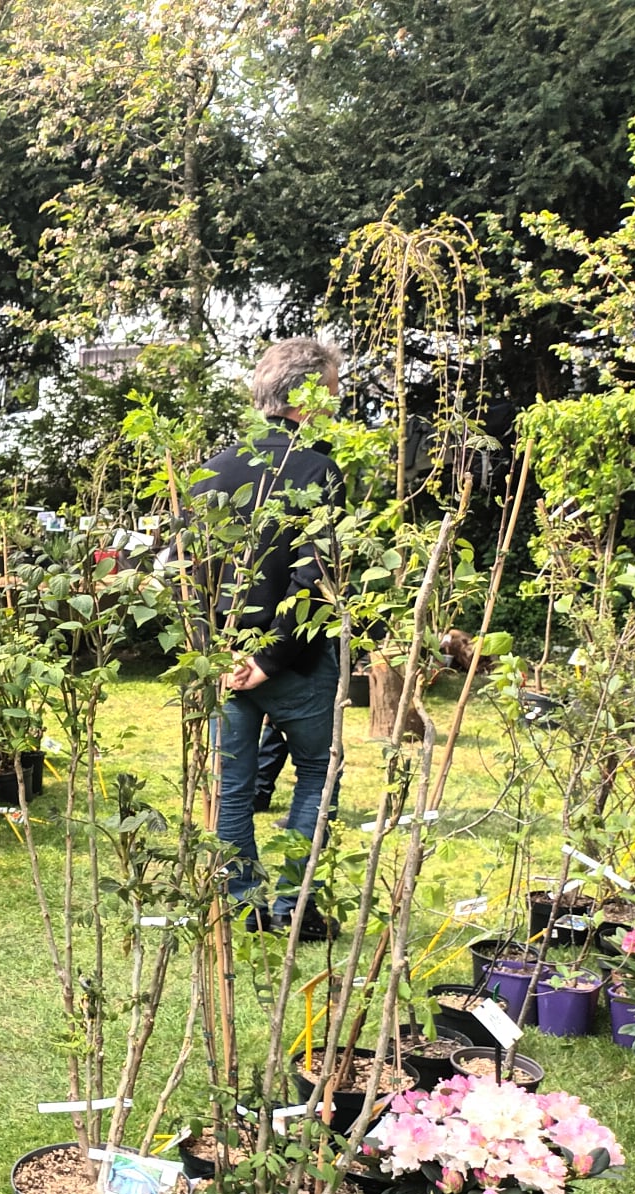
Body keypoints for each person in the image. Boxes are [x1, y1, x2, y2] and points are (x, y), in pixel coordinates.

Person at [197, 338, 345, 940]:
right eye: (332, 386)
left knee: (231, 785)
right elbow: (319, 575)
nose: (336, 398)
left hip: (225, 660)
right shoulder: (317, 468)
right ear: (308, 391)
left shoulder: (215, 466)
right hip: (295, 664)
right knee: (319, 770)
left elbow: (188, 570)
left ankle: (240, 904)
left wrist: (220, 652)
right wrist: (273, 655)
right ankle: (293, 906)